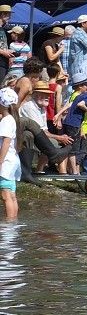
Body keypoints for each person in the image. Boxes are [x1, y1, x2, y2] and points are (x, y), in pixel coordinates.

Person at [0, 86, 20, 219]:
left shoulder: (6, 121)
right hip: (13, 160)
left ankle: (8, 224)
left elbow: (6, 142)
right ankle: (13, 224)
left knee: (5, 194)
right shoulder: (11, 119)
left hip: (6, 161)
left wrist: (0, 161)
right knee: (11, 194)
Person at [0, 4, 14, 79]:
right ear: (3, 14)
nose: (10, 17)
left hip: (3, 63)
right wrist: (3, 52)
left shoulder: (3, 29)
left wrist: (8, 51)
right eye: (9, 15)